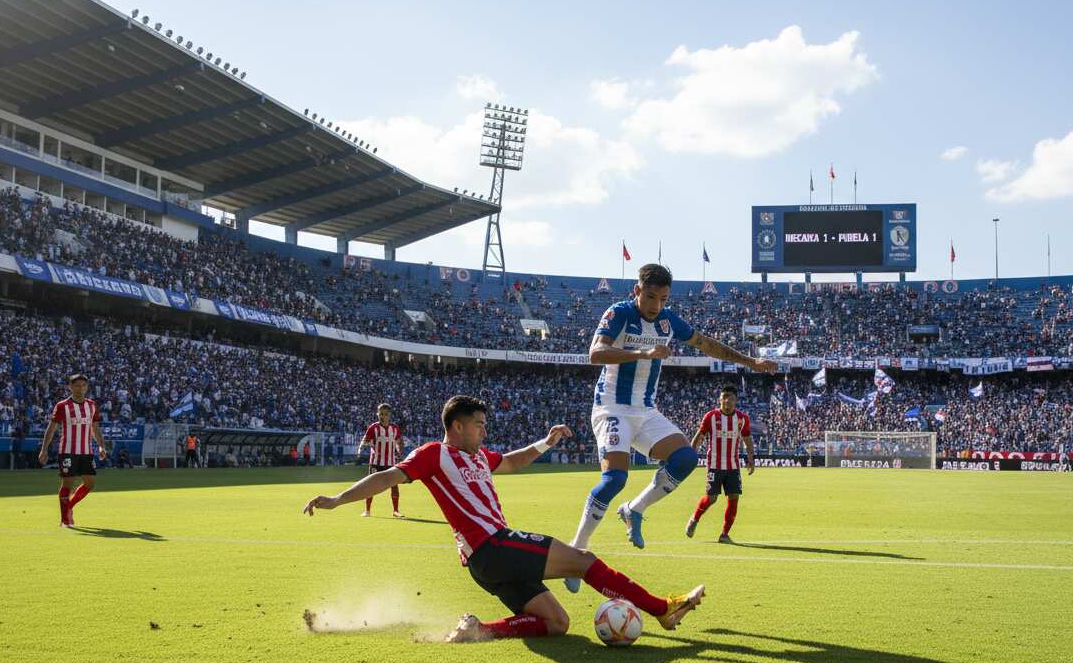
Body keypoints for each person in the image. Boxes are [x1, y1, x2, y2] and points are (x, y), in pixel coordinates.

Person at [302, 395, 705, 642]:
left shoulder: (478, 455)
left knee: (557, 623)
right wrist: (338, 498)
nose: (483, 431)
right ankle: (660, 609)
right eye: (478, 425)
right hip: (492, 545)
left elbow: (511, 462)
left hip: (489, 561)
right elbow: (387, 476)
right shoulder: (432, 455)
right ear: (456, 426)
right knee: (582, 562)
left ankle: (480, 630)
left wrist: (545, 443)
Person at [564, 263, 776, 591]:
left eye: (662, 298)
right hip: (612, 409)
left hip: (646, 412)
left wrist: (752, 362)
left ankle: (634, 509)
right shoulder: (618, 313)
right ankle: (575, 555)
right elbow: (596, 353)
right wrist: (644, 352)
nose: (655, 305)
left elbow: (707, 344)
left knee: (685, 458)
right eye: (650, 296)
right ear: (637, 291)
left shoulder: (667, 321)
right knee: (614, 479)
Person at [685, 384, 754, 543]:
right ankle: (694, 519)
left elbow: (747, 439)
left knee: (734, 497)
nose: (727, 401)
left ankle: (724, 534)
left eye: (731, 398)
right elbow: (699, 436)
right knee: (712, 498)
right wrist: (690, 453)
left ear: (736, 401)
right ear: (720, 399)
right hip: (715, 465)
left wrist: (751, 458)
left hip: (733, 466)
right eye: (725, 397)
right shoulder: (711, 416)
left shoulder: (742, 419)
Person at [38, 373, 106, 528]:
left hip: (86, 451)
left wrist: (101, 446)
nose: (80, 388)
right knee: (67, 484)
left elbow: (95, 428)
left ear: (87, 387)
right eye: (76, 385)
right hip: (67, 450)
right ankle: (65, 520)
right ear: (70, 387)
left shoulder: (92, 405)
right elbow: (51, 428)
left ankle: (69, 507)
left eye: (83, 385)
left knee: (90, 483)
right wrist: (44, 450)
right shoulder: (62, 406)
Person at [357, 402, 405, 517]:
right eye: (381, 414)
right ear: (378, 414)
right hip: (375, 462)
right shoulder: (373, 428)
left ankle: (395, 511)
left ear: (389, 415)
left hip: (390, 462)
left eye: (385, 414)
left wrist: (400, 452)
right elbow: (365, 440)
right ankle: (367, 510)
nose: (382, 416)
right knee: (370, 485)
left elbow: (399, 441)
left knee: (394, 485)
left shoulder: (394, 428)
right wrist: (361, 448)